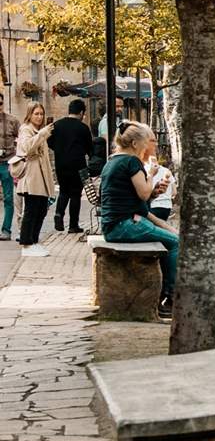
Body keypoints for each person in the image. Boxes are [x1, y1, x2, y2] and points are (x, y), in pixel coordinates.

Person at [100, 121, 178, 317]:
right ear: (135, 144)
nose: (146, 148)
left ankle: (167, 293)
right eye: (146, 143)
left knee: (170, 237)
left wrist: (153, 193)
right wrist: (151, 175)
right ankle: (171, 297)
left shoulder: (112, 161)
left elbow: (137, 202)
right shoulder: (131, 162)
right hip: (125, 225)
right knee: (175, 243)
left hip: (115, 225)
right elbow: (143, 194)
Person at [15, 104, 55, 256]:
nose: (39, 117)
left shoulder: (39, 130)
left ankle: (34, 241)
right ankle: (26, 244)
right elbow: (26, 148)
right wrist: (42, 134)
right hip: (31, 176)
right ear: (29, 114)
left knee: (41, 210)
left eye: (41, 114)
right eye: (36, 114)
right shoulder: (26, 129)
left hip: (41, 175)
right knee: (31, 211)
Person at [50, 98, 94, 233]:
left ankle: (58, 214)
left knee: (64, 191)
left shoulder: (57, 125)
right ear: (81, 112)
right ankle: (73, 225)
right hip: (78, 165)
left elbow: (50, 142)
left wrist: (60, 150)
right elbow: (90, 149)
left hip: (60, 163)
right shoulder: (83, 128)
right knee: (75, 194)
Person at [0, 94, 19, 240]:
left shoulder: (12, 121)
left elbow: (21, 140)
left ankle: (6, 230)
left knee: (8, 197)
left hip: (7, 163)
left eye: (0, 103)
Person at [146, 155, 175, 221]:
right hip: (166, 207)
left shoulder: (146, 170)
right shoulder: (167, 171)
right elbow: (174, 192)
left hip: (153, 205)